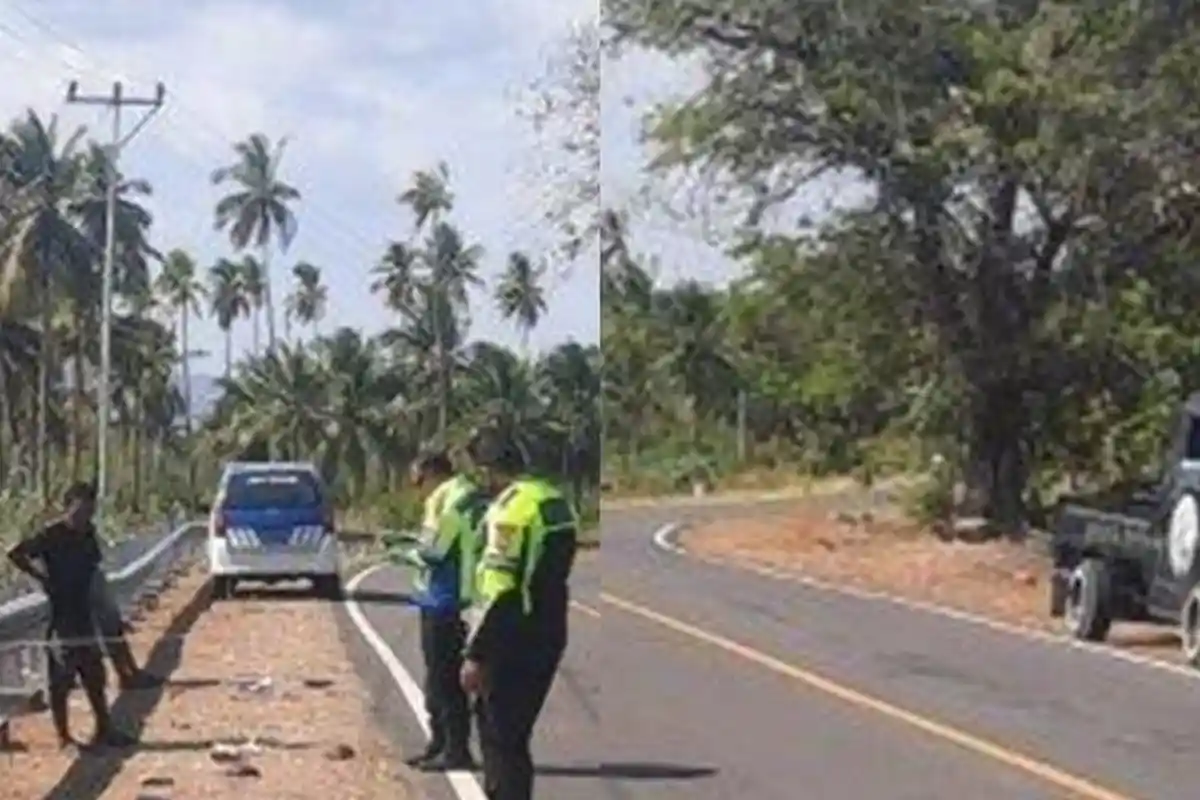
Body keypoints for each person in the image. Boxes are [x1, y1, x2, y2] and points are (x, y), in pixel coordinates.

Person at [462, 436, 578, 800]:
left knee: (500, 741)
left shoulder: (511, 509)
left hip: (509, 636)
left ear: (488, 470)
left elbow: (502, 590)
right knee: (515, 737)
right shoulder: (554, 499)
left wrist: (477, 654)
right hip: (549, 629)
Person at [6, 482, 135, 749]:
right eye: (80, 509)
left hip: (84, 612)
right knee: (61, 678)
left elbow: (95, 569)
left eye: (90, 509)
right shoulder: (52, 534)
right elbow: (15, 553)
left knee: (95, 675)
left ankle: (104, 728)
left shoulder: (88, 534)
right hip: (61, 615)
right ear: (68, 507)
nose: (85, 514)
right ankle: (63, 737)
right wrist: (42, 578)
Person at [390, 448, 488, 771]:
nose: (418, 490)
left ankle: (454, 749)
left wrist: (399, 553)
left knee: (444, 680)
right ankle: (441, 744)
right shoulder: (471, 495)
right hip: (461, 596)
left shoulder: (446, 499)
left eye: (418, 481)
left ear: (432, 473)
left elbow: (435, 552)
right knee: (445, 678)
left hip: (446, 598)